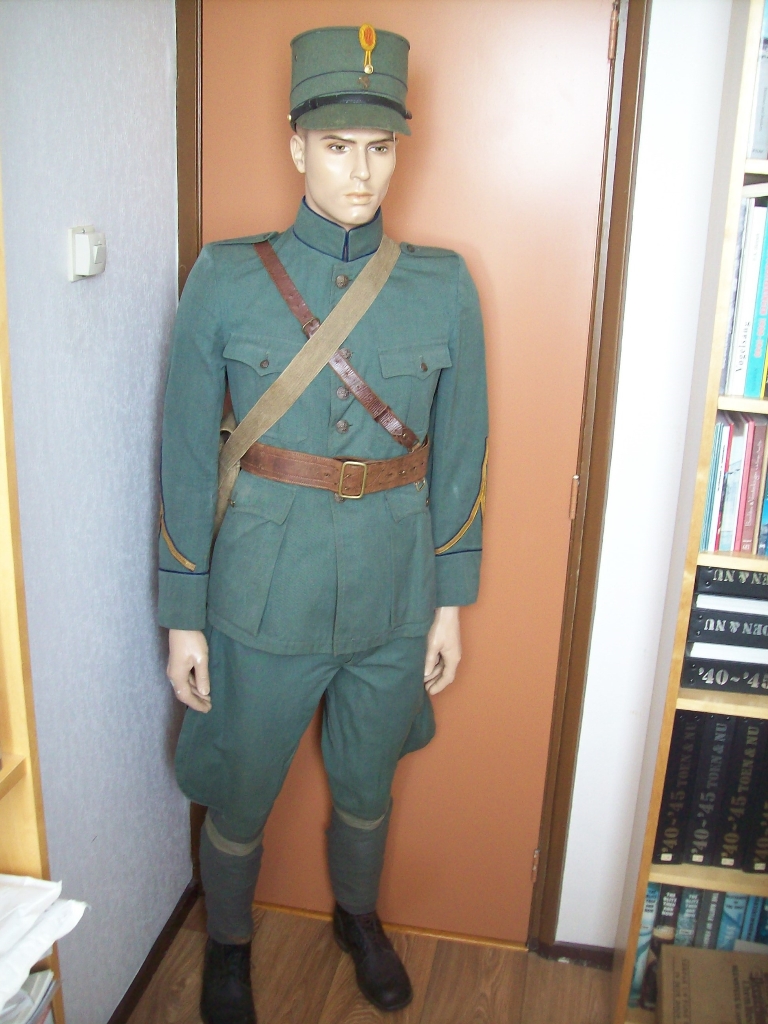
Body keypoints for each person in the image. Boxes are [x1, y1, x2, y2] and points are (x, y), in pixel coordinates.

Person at [159, 24, 488, 1023]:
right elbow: (184, 453)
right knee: (241, 790)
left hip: (396, 592)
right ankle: (228, 945)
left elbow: (462, 455)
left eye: (380, 146)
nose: (361, 170)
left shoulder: (444, 285)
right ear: (296, 144)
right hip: (261, 594)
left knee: (366, 784)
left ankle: (357, 916)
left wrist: (450, 602)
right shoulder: (226, 277)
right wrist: (184, 615)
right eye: (338, 144)